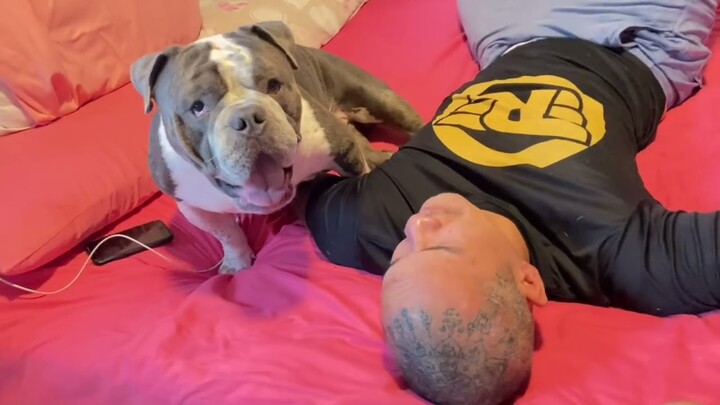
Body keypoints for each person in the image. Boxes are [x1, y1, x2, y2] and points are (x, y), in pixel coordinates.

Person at [293, 1, 720, 404]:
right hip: (627, 35)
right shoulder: (613, 253)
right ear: (528, 282)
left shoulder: (364, 225)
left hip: (508, 40)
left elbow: (278, 180)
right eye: (443, 248)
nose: (417, 226)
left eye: (400, 256)